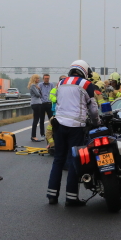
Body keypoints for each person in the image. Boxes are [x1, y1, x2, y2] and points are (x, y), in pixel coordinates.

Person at [47, 60, 100, 207]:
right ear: (84, 71)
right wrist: (97, 122)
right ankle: (71, 198)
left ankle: (52, 195)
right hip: (76, 126)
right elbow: (93, 109)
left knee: (58, 160)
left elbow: (57, 102)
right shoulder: (86, 84)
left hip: (58, 125)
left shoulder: (61, 82)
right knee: (72, 161)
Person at [28, 74, 44, 142]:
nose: (39, 80)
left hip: (37, 103)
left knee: (36, 119)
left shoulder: (34, 86)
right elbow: (38, 95)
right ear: (34, 79)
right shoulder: (33, 85)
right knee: (36, 120)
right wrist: (39, 89)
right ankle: (33, 136)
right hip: (36, 103)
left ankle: (33, 135)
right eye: (37, 79)